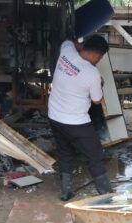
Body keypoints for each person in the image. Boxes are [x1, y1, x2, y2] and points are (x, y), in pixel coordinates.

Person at [48, 35, 112, 201]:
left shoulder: (67, 51)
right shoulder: (92, 73)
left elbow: (68, 41)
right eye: (101, 57)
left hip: (54, 116)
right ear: (97, 55)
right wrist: (100, 83)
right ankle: (106, 195)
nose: (99, 60)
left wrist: (78, 44)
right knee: (95, 155)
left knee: (64, 152)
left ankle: (66, 191)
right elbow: (97, 100)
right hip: (76, 123)